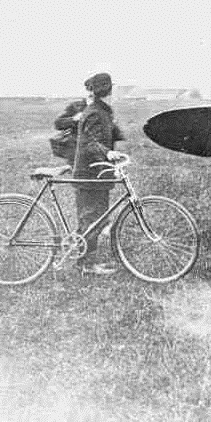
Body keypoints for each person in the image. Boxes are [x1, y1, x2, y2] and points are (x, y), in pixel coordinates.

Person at [73, 72, 125, 276]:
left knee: (97, 217)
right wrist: (108, 152)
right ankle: (86, 264)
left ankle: (87, 260)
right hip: (90, 174)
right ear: (108, 91)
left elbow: (108, 134)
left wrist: (116, 132)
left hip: (97, 173)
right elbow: (90, 143)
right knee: (91, 219)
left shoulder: (101, 111)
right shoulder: (95, 112)